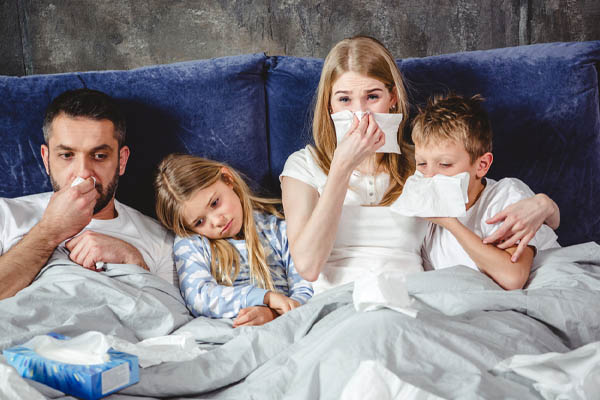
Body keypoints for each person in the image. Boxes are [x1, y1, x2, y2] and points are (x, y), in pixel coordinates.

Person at [280, 35, 560, 294]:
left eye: (372, 97)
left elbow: (483, 196)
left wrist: (545, 205)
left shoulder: (423, 164)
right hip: (338, 302)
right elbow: (308, 266)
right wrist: (341, 168)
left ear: (392, 99)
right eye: (344, 100)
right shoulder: (304, 165)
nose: (360, 114)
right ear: (329, 106)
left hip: (412, 300)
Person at [0, 88, 175, 300]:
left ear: (122, 161)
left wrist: (134, 261)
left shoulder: (161, 240)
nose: (83, 173)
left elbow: (173, 323)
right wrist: (49, 233)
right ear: (46, 159)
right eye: (66, 155)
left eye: (99, 156)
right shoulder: (6, 215)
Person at [412, 94, 560, 289]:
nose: (430, 176)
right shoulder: (426, 214)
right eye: (422, 163)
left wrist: (450, 223)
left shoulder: (506, 196)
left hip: (547, 289)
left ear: (481, 165)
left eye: (445, 164)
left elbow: (512, 277)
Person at [154, 154, 313, 327]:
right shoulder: (193, 243)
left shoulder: (278, 228)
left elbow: (306, 288)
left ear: (227, 179)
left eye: (214, 203)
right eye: (199, 222)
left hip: (287, 325)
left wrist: (272, 314)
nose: (217, 221)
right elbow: (199, 297)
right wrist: (265, 298)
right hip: (229, 333)